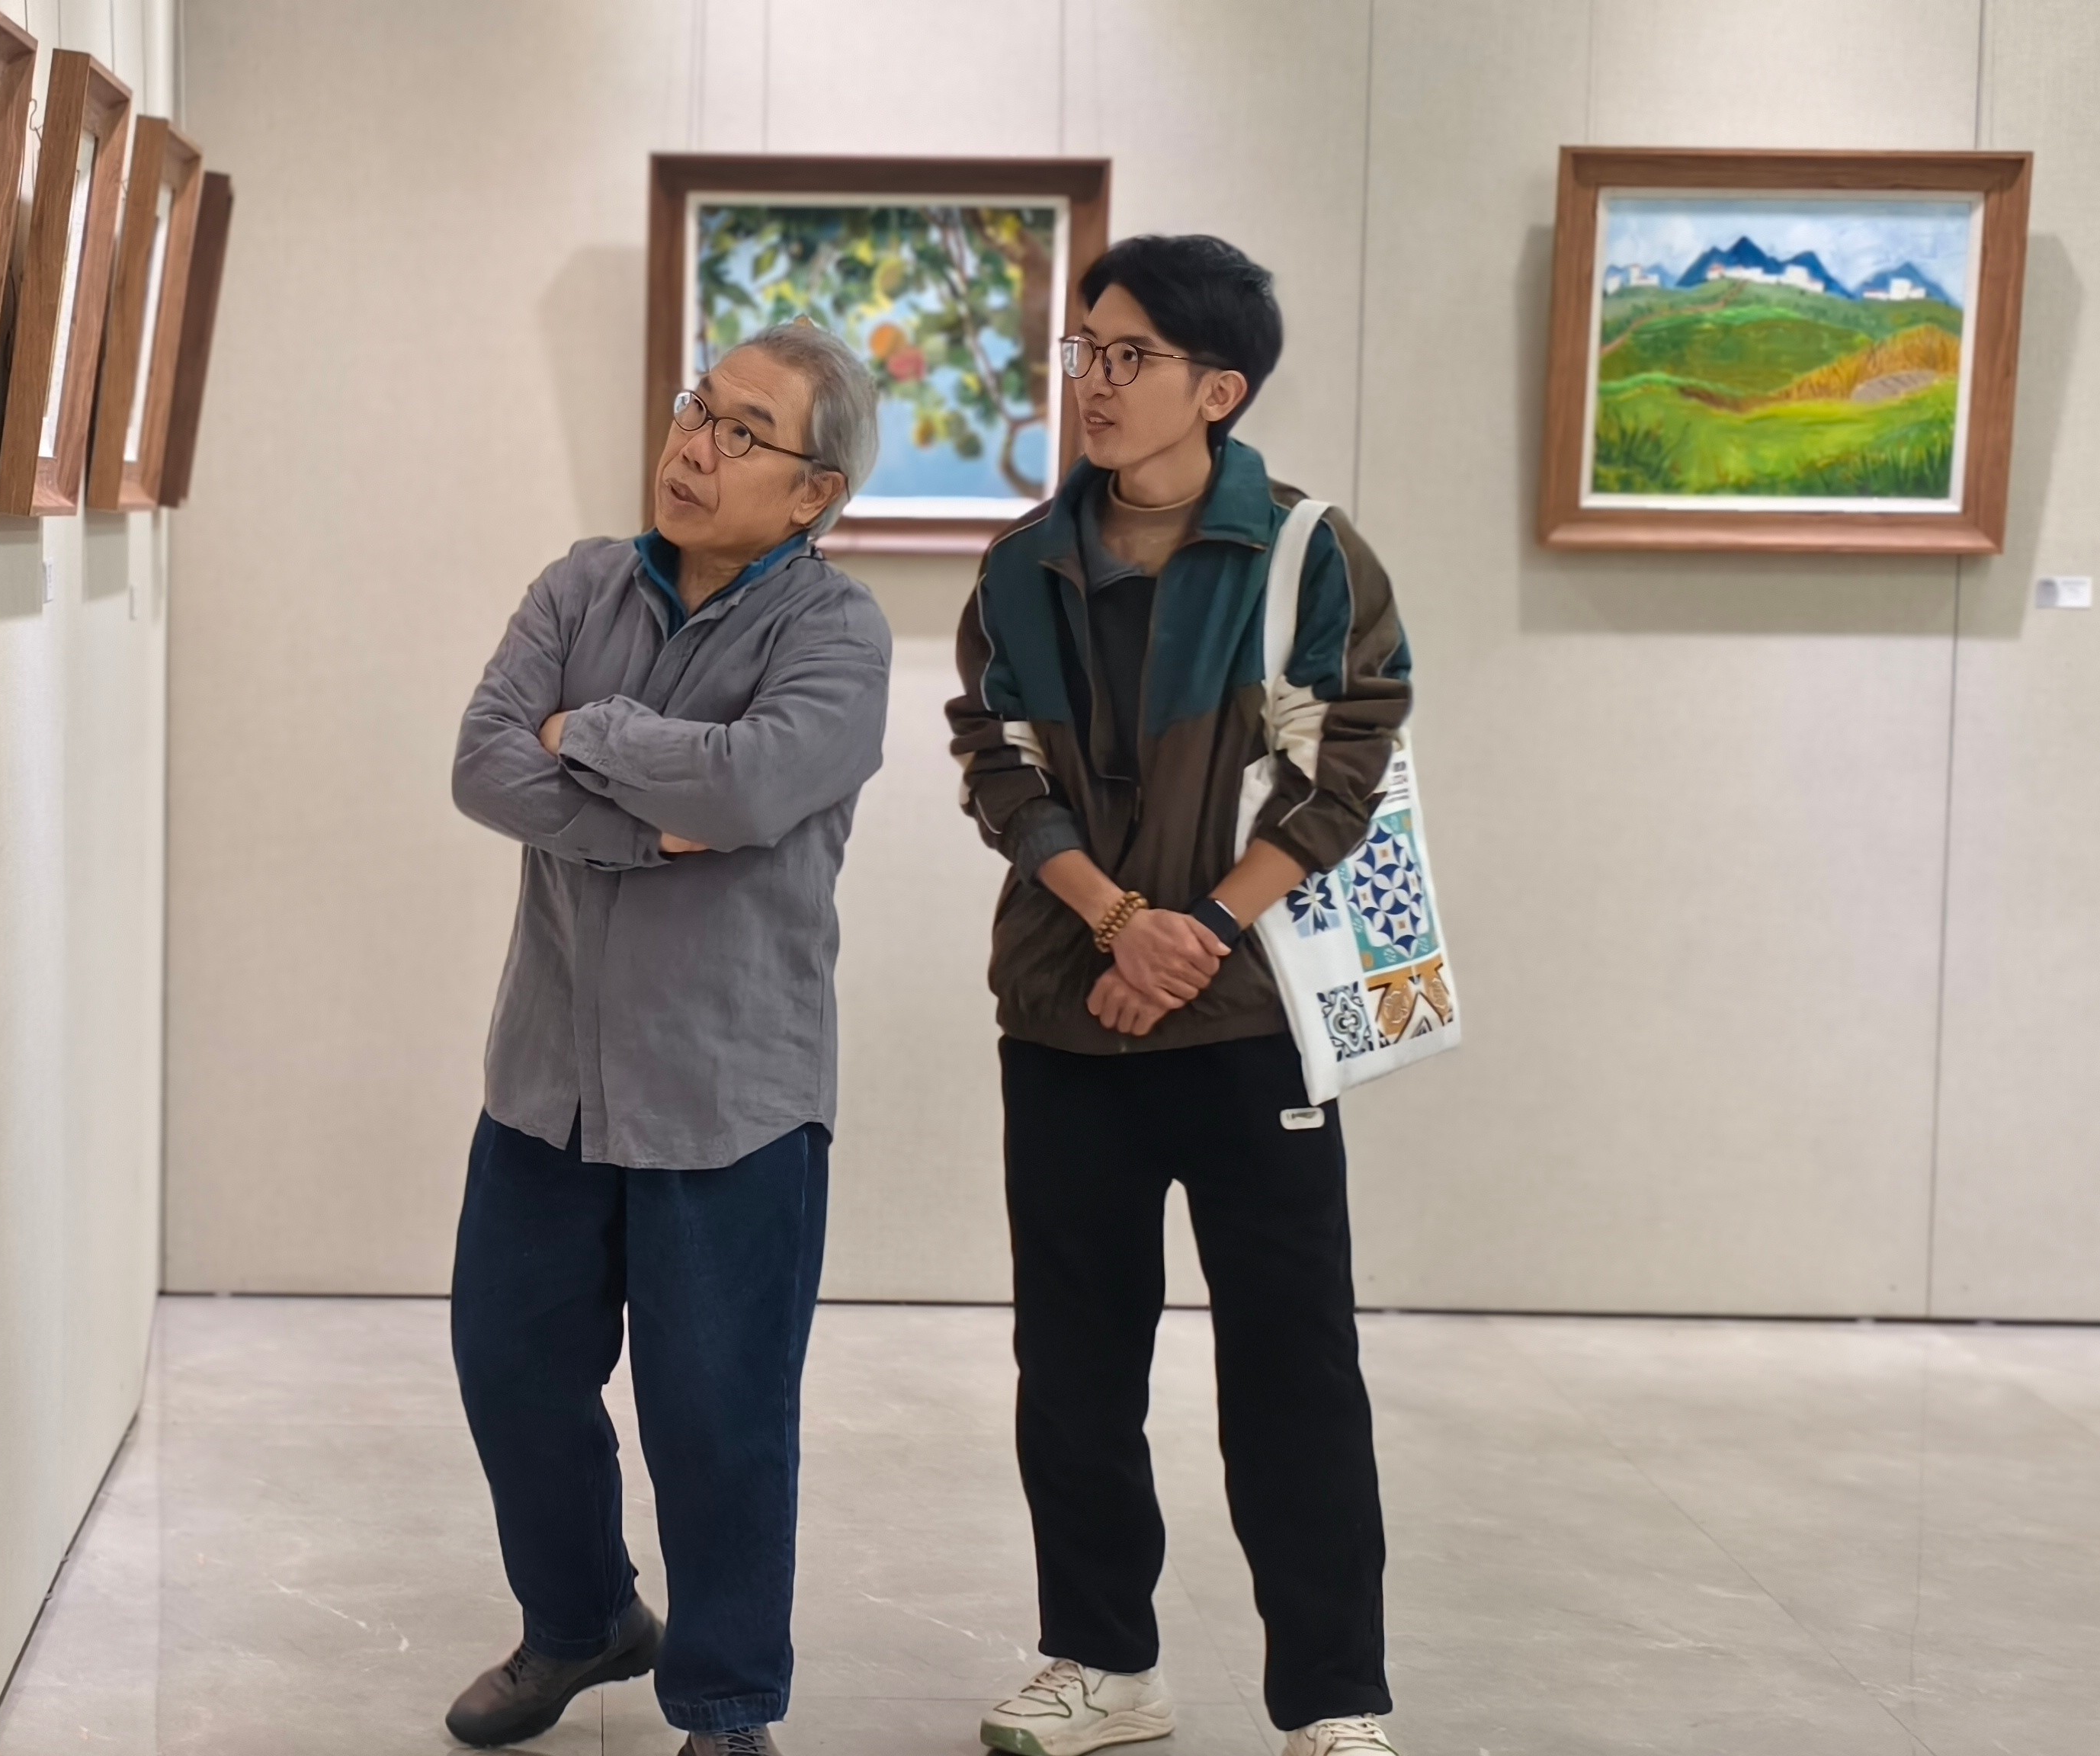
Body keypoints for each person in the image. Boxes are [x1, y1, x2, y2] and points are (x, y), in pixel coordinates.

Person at [946, 236, 1415, 1756]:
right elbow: (996, 762)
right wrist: (1116, 920)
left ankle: (1331, 1699)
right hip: (1065, 1012)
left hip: (1249, 1020)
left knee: (1293, 1364)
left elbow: (1347, 766)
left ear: (1219, 390)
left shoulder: (1303, 552)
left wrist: (1196, 932)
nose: (1094, 379)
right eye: (1086, 348)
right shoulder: (1021, 564)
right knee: (1074, 1364)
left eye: (1129, 355)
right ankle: (1102, 1664)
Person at [442, 321, 893, 1756]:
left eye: (744, 432)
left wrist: (591, 731)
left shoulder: (838, 634)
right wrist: (654, 828)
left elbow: (755, 787)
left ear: (814, 494)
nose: (695, 444)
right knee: (509, 1367)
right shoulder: (579, 583)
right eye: (700, 408)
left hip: (730, 1091)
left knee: (719, 1417)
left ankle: (725, 1703)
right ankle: (582, 1622)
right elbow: (484, 767)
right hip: (550, 1083)